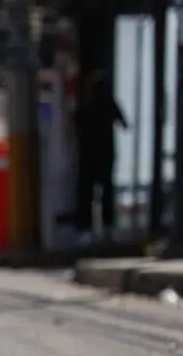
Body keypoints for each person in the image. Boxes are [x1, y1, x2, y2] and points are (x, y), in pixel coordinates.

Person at [73, 71, 128, 243]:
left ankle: (86, 228)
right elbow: (124, 123)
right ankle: (107, 226)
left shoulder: (86, 105)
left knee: (86, 192)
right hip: (106, 153)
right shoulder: (109, 103)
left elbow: (73, 124)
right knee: (107, 190)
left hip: (88, 154)